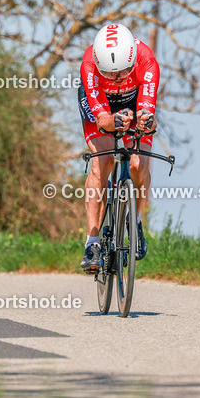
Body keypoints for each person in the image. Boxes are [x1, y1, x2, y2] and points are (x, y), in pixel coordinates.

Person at [77, 23, 158, 273]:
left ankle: (134, 222)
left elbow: (148, 114)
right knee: (103, 161)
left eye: (122, 72)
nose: (116, 78)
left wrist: (146, 121)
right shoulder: (89, 65)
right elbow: (102, 120)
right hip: (101, 105)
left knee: (139, 164)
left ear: (132, 59)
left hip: (134, 100)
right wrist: (112, 121)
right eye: (110, 73)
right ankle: (92, 243)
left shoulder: (147, 61)